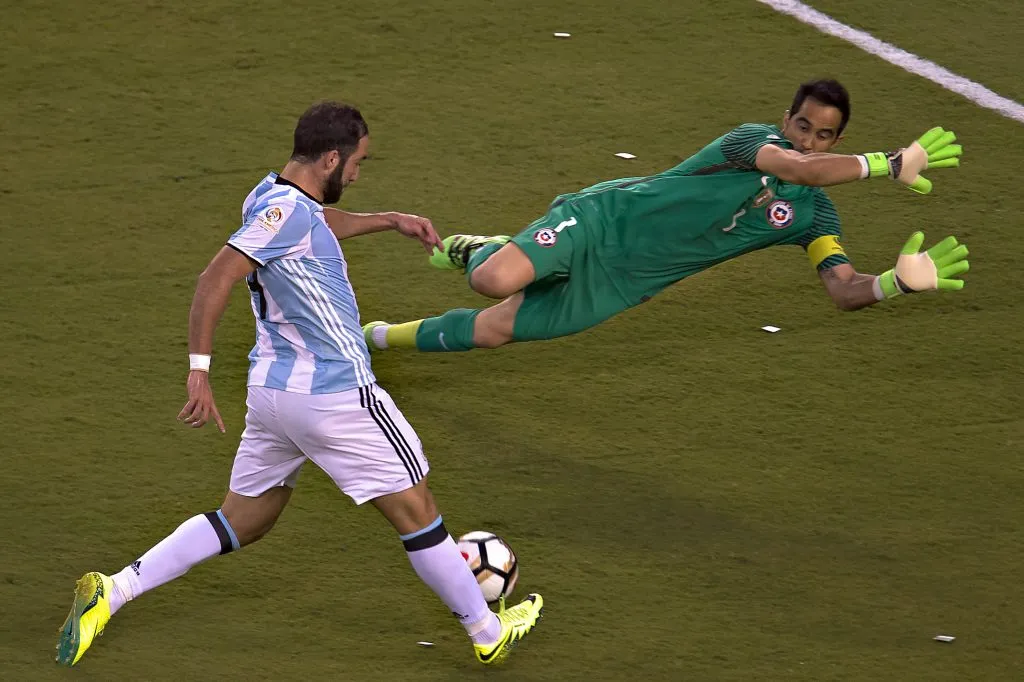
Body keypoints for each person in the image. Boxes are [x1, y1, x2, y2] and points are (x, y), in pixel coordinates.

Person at [55, 101, 543, 669]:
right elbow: (216, 276)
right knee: (417, 509)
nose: (358, 173)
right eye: (357, 162)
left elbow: (315, 224)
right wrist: (199, 369)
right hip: (334, 394)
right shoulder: (285, 213)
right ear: (332, 157)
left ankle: (112, 592)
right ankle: (487, 631)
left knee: (245, 518)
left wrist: (388, 220)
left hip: (273, 395)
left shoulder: (269, 197)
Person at [361, 79, 969, 354]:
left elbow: (840, 289)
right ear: (785, 121)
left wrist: (892, 284)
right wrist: (890, 163)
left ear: (836, 141)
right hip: (603, 220)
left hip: (625, 283)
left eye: (824, 136)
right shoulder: (748, 143)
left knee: (494, 330)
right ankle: (485, 246)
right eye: (802, 126)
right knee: (490, 279)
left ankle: (376, 339)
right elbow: (798, 169)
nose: (810, 141)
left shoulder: (814, 218)